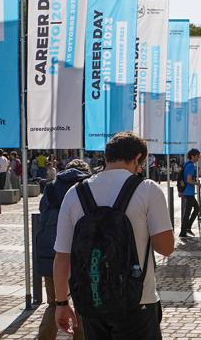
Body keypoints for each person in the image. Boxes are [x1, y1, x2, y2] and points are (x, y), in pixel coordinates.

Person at [53, 132, 174, 339]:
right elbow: (166, 248)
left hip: (93, 301)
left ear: (107, 157)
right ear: (137, 158)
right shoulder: (147, 190)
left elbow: (62, 257)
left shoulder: (75, 193)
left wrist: (61, 303)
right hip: (139, 301)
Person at [37, 159, 90, 340]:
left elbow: (43, 213)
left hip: (51, 253)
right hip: (82, 255)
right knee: (84, 304)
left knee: (54, 303)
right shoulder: (87, 188)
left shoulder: (51, 188)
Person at [179, 148, 201, 238]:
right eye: (197, 156)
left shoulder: (186, 164)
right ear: (193, 156)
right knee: (189, 212)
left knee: (195, 209)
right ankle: (183, 231)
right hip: (188, 192)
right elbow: (189, 180)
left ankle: (187, 228)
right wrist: (199, 184)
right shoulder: (190, 165)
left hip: (187, 191)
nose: (198, 158)